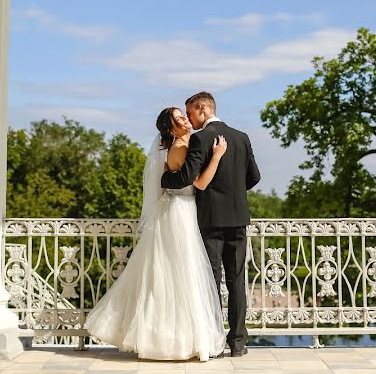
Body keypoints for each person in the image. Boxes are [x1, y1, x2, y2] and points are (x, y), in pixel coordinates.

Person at [83, 107, 227, 361]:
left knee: (171, 273)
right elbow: (200, 184)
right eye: (179, 118)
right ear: (171, 128)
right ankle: (178, 340)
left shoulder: (179, 146)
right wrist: (216, 156)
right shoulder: (182, 148)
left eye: (184, 115)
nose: (185, 119)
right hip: (179, 213)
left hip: (175, 210)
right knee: (182, 273)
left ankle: (170, 337)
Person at [161, 91, 261, 358]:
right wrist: (235, 194)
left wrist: (164, 181)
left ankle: (215, 341)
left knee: (211, 280)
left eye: (191, 113)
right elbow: (254, 176)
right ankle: (238, 343)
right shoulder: (242, 137)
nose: (190, 120)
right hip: (239, 218)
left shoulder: (200, 139)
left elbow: (188, 176)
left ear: (202, 108)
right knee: (237, 281)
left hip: (210, 220)